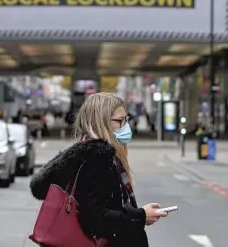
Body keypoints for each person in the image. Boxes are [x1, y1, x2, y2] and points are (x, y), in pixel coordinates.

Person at [30, 92, 167, 247]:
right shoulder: (97, 157)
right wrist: (140, 216)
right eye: (119, 121)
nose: (126, 126)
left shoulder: (90, 153)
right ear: (100, 122)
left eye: (126, 120)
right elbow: (95, 219)